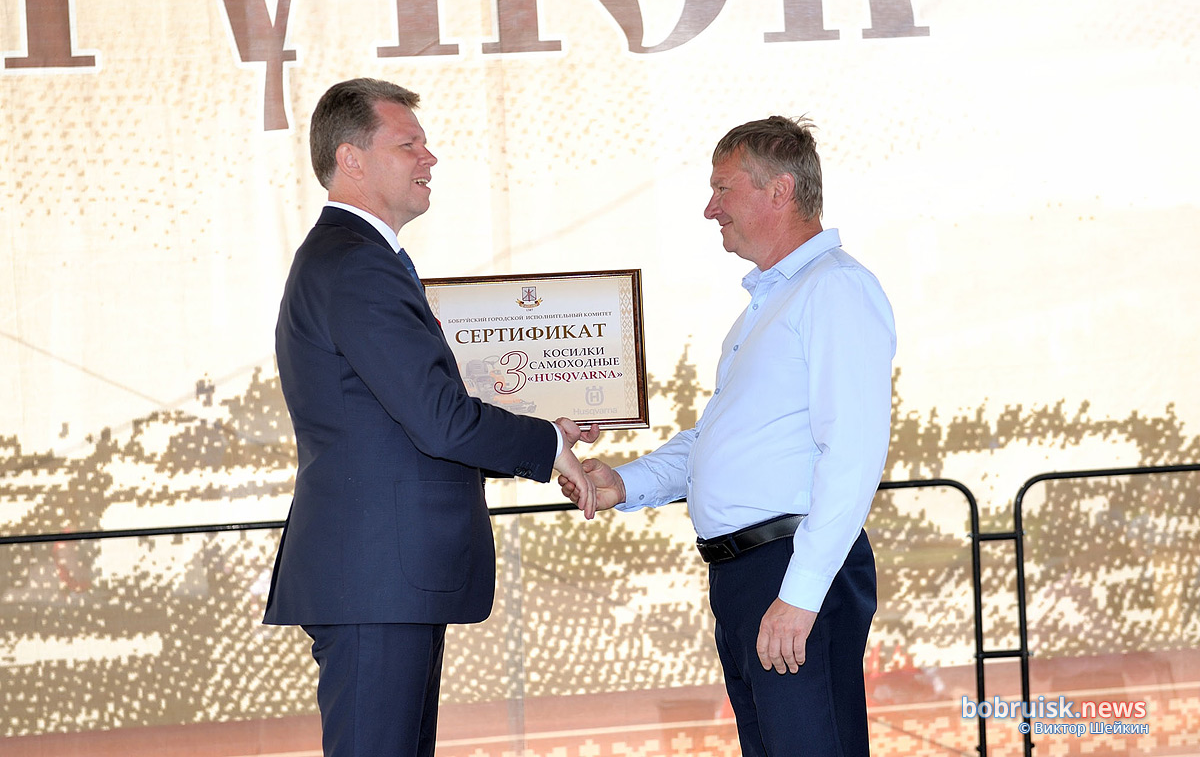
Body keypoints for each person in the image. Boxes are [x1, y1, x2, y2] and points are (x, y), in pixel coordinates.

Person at [263, 77, 597, 757]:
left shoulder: (360, 259)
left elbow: (404, 420)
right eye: (408, 144)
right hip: (375, 580)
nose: (430, 158)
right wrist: (544, 445)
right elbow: (439, 419)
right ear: (351, 160)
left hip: (382, 579)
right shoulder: (356, 264)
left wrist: (544, 433)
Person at [561, 116, 895, 756]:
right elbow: (717, 442)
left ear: (780, 191)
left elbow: (853, 453)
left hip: (790, 568)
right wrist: (622, 482)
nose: (710, 208)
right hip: (750, 577)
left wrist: (800, 595)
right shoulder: (773, 304)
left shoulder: (834, 288)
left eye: (723, 188)